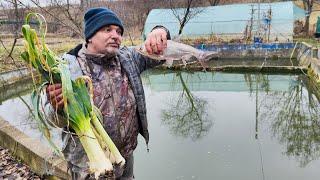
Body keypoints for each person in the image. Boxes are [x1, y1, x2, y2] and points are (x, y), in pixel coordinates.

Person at [45, 7, 171, 180]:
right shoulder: (67, 68)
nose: (116, 35)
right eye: (107, 30)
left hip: (125, 157)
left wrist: (160, 31)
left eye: (119, 31)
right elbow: (50, 118)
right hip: (91, 166)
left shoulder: (129, 58)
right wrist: (57, 107)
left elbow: (160, 52)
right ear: (89, 36)